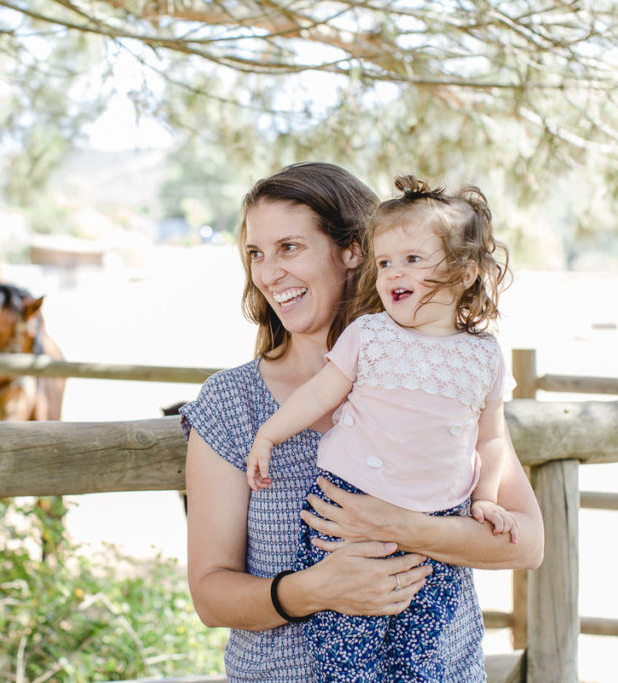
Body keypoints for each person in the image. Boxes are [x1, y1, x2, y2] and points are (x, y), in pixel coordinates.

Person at [180, 161, 543, 682]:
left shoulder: (445, 377)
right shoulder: (232, 403)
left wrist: (400, 526)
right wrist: (313, 590)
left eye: (289, 248)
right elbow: (212, 596)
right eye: (256, 254)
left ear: (354, 250)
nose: (267, 273)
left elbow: (527, 543)